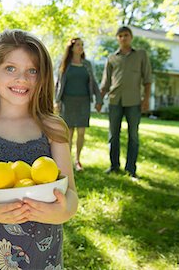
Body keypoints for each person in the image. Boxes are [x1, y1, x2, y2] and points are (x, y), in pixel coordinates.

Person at [0, 29, 78, 269]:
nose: (22, 79)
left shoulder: (53, 128)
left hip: (42, 253)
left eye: (32, 71)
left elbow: (72, 194)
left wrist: (62, 213)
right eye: (10, 68)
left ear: (43, 77)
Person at [100, 26, 152, 179]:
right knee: (113, 135)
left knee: (133, 136)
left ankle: (131, 169)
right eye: (121, 35)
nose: (123, 38)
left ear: (131, 37)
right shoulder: (111, 58)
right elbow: (106, 82)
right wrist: (99, 99)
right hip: (115, 100)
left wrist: (146, 99)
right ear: (117, 38)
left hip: (134, 101)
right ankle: (114, 166)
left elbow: (147, 79)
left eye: (126, 35)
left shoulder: (141, 55)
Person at [55, 38, 103, 172]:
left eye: (82, 45)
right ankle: (67, 161)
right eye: (78, 45)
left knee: (81, 132)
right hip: (68, 101)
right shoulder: (65, 64)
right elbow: (59, 84)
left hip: (83, 101)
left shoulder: (87, 64)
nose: (80, 47)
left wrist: (99, 99)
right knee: (69, 133)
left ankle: (78, 160)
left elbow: (93, 82)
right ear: (71, 48)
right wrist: (57, 101)